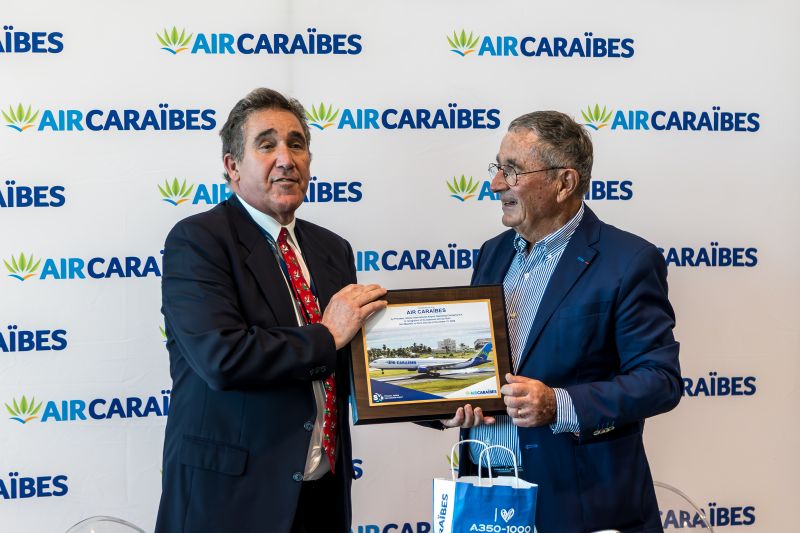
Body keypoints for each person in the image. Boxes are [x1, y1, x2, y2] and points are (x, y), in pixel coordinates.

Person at [155, 88, 387, 533]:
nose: (286, 158)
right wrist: (327, 334)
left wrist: (438, 400)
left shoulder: (332, 249)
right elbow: (222, 358)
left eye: (297, 144)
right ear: (232, 166)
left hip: (320, 497)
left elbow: (352, 364)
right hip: (231, 501)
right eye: (267, 145)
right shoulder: (197, 241)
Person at [443, 111, 682, 532]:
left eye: (512, 171)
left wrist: (558, 405)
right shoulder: (491, 253)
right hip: (487, 498)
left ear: (564, 183)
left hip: (580, 504)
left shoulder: (628, 261)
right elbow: (476, 365)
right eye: (497, 168)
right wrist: (448, 406)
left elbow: (659, 380)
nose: (496, 183)